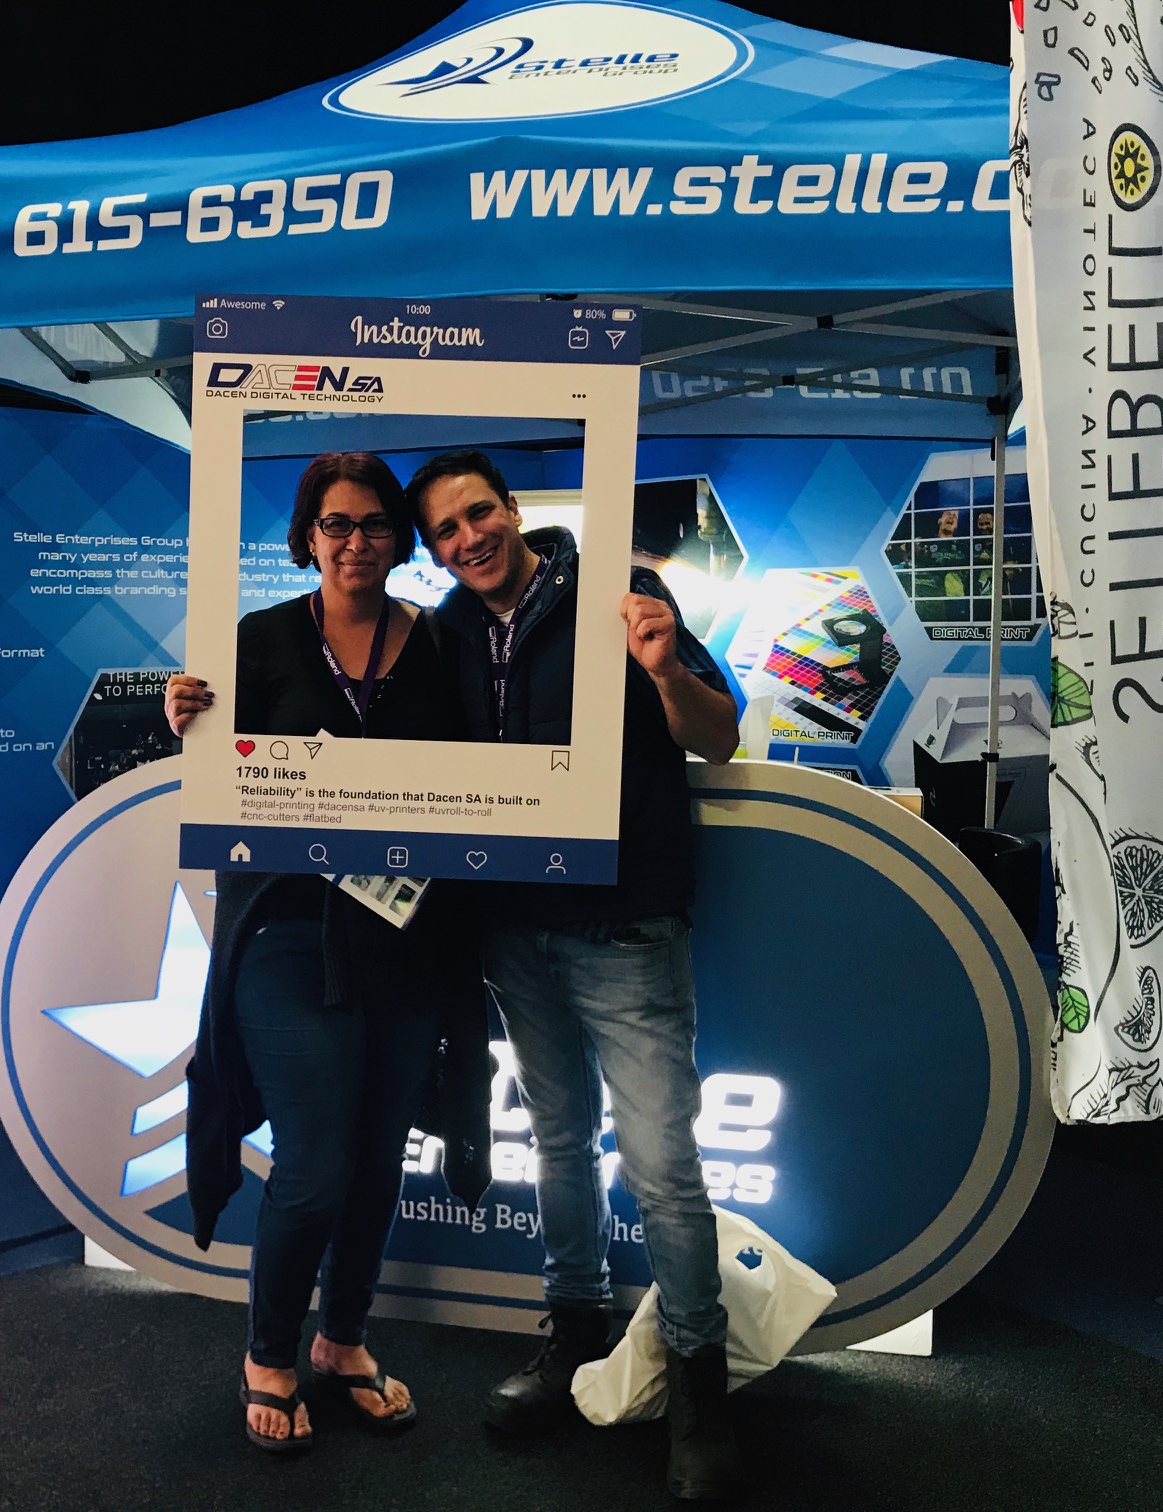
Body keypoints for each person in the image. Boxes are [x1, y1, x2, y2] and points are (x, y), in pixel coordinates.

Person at [407, 450, 743, 1503]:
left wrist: (663, 670)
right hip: (514, 931)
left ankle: (698, 1387)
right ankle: (575, 1338)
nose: (468, 538)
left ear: (513, 510)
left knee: (661, 1165)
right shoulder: (446, 634)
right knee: (558, 1143)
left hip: (625, 924)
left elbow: (718, 736)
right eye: (445, 531)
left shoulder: (621, 595)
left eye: (479, 513)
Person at [164, 451, 490, 1455]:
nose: (356, 542)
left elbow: (481, 773)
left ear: (399, 539)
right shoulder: (258, 641)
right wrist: (185, 723)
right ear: (308, 536)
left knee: (379, 1157)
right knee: (314, 1163)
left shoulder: (437, 643)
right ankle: (269, 1352)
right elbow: (217, 772)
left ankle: (342, 1339)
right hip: (288, 930)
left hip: (404, 935)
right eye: (336, 524)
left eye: (375, 524)